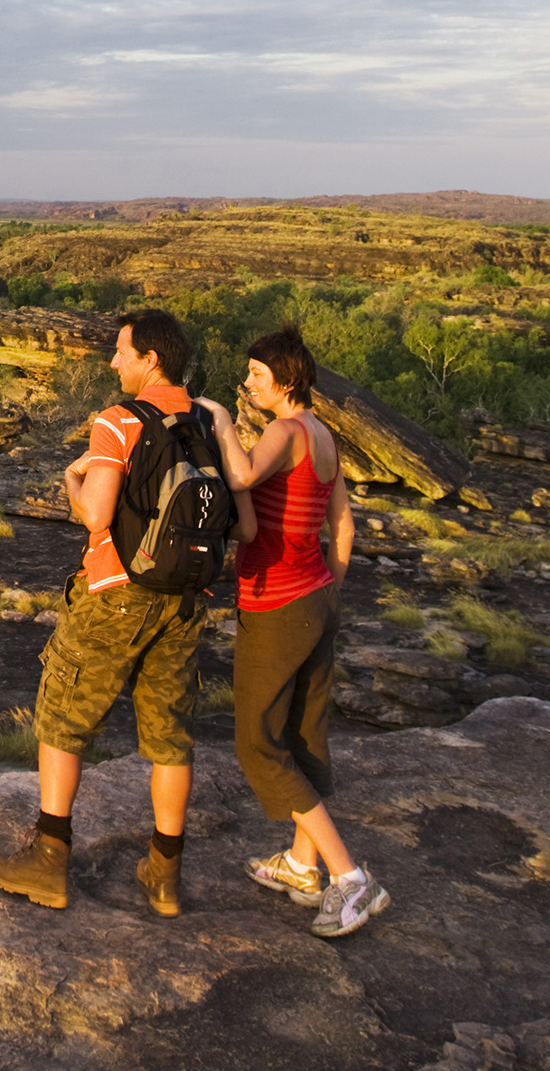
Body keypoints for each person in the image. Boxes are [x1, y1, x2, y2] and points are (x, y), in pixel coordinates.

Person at [0, 309, 256, 916]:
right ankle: (164, 875)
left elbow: (98, 515)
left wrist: (72, 482)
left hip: (116, 592)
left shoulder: (119, 421)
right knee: (169, 735)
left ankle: (49, 862)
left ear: (149, 359)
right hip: (185, 601)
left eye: (121, 351)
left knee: (61, 718)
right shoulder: (209, 421)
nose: (113, 361)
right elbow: (248, 523)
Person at [194, 326, 383, 938]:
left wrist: (222, 423)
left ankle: (351, 879)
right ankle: (303, 865)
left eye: (255, 374)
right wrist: (329, 587)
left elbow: (242, 479)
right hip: (316, 597)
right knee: (305, 733)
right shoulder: (324, 437)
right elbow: (344, 526)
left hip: (277, 604)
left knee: (257, 742)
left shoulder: (285, 429)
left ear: (287, 379)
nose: (248, 383)